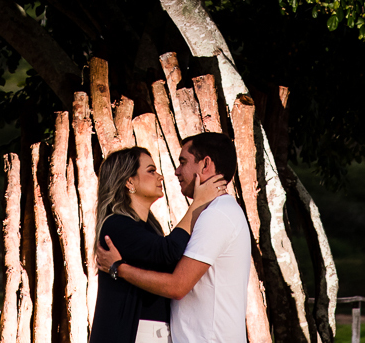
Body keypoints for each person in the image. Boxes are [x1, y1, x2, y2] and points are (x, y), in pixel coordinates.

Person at [96, 133, 250, 343]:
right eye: (151, 171)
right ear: (129, 182)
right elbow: (166, 252)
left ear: (205, 165)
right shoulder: (117, 224)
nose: (169, 174)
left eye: (183, 162)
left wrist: (119, 268)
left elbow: (175, 281)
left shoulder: (216, 214)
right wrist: (197, 206)